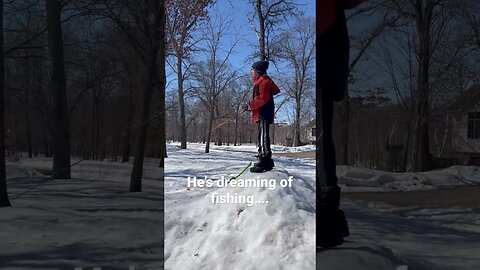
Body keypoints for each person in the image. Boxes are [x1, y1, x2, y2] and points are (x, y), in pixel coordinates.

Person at [317, 0, 365, 248]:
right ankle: (325, 214)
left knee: (322, 136)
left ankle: (326, 214)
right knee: (321, 135)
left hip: (325, 55)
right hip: (325, 55)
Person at [245, 60, 280, 173]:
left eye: (253, 70)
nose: (251, 73)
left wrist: (250, 105)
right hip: (261, 113)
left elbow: (262, 99)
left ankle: (266, 159)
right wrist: (250, 106)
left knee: (264, 136)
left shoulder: (264, 82)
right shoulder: (259, 82)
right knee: (261, 135)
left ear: (258, 72)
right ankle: (262, 156)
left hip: (264, 112)